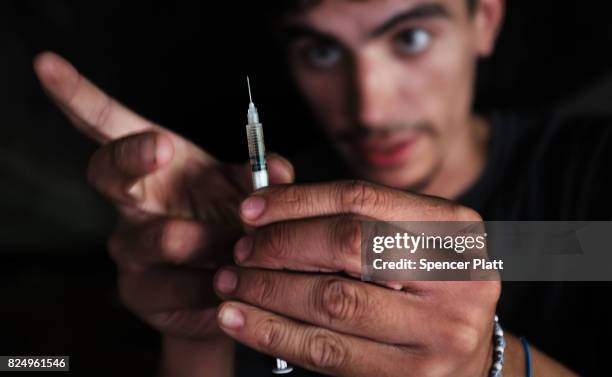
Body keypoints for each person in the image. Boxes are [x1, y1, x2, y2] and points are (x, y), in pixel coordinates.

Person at [32, 0, 610, 375]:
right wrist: (194, 331)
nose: (371, 107)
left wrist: (491, 364)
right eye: (323, 50)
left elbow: (565, 247)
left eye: (409, 38)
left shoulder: (587, 176)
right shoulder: (249, 214)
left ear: (484, 19)